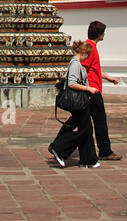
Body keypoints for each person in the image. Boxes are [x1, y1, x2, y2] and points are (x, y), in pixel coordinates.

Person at [48, 40, 100, 168]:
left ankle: (88, 160)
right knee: (86, 130)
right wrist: (88, 89)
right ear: (82, 53)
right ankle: (59, 147)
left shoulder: (77, 64)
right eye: (87, 55)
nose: (87, 57)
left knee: (86, 129)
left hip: (82, 102)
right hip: (79, 102)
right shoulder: (75, 64)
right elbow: (72, 83)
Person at [82, 20, 122, 161]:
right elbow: (83, 69)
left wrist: (108, 78)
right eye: (103, 32)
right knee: (100, 122)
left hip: (92, 89)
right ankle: (105, 151)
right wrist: (86, 87)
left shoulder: (90, 46)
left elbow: (94, 69)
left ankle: (59, 146)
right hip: (92, 91)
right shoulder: (89, 47)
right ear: (99, 34)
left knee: (79, 121)